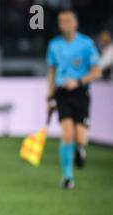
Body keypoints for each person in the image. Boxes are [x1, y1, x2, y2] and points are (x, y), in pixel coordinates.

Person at [46, 10, 101, 189]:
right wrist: (49, 96)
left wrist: (78, 82)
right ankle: (68, 177)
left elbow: (96, 72)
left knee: (80, 135)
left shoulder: (86, 44)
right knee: (67, 134)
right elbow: (52, 72)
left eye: (68, 21)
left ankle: (80, 149)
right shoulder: (54, 45)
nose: (64, 25)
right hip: (62, 94)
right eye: (61, 21)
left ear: (75, 23)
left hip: (80, 93)